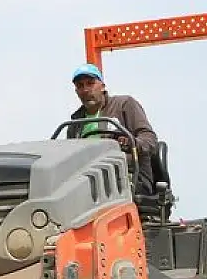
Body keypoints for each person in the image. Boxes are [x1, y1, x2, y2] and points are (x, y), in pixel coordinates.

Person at [66, 63, 159, 195]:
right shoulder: (75, 123)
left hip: (129, 177)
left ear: (102, 86)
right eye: (80, 86)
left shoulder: (124, 105)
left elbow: (150, 140)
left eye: (90, 83)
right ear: (76, 92)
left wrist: (131, 143)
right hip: (88, 183)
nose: (85, 89)